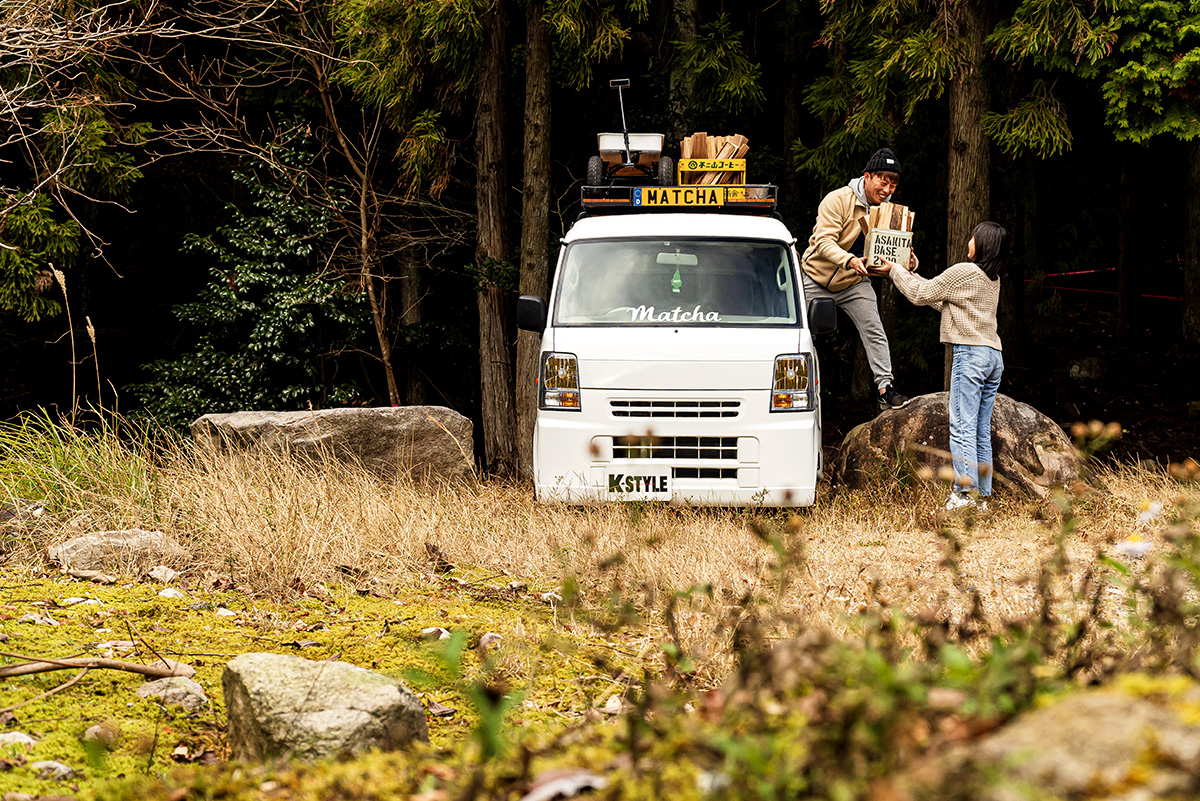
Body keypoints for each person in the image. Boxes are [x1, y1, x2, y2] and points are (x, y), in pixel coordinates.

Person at [876, 221, 1008, 511]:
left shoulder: (965, 271)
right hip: (993, 357)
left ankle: (964, 495)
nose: (969, 239)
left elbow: (920, 294)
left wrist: (895, 271)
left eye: (973, 236)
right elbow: (943, 299)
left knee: (962, 427)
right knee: (980, 429)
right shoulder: (992, 279)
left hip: (971, 356)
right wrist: (907, 272)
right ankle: (982, 496)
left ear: (982, 243)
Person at [801, 147, 916, 411]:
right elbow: (823, 242)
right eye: (883, 182)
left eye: (893, 185)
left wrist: (910, 262)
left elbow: (898, 249)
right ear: (867, 177)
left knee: (874, 328)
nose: (887, 190)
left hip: (854, 283)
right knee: (800, 333)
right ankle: (802, 387)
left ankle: (885, 389)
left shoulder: (889, 212)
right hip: (814, 277)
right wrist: (849, 260)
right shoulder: (838, 199)